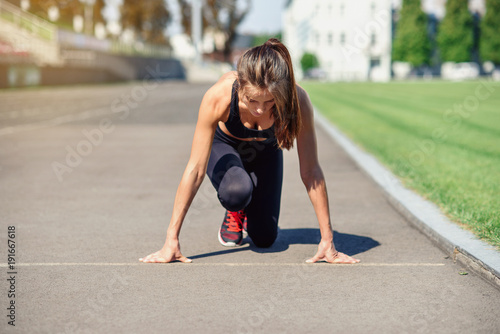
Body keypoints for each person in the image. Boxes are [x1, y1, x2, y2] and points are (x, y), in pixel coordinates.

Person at [139, 39, 359, 264]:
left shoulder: (297, 101)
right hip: (225, 146)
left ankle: (250, 209)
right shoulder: (219, 97)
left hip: (266, 153)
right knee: (237, 191)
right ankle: (236, 208)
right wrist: (171, 240)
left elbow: (311, 172)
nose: (260, 109)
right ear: (240, 84)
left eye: (270, 101)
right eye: (252, 100)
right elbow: (195, 169)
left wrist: (327, 241)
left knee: (265, 239)